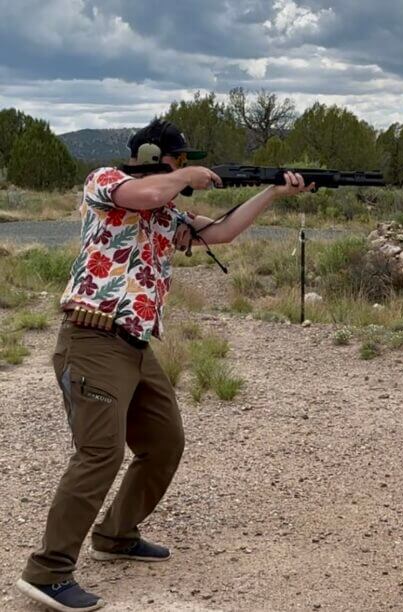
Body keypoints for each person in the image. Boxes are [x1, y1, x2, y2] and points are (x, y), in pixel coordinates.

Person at [15, 119, 314, 612]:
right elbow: (147, 192)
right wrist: (184, 177)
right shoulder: (107, 182)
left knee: (164, 443)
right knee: (100, 453)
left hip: (135, 345)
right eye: (177, 160)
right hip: (92, 337)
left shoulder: (166, 210)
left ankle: (116, 534)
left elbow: (222, 232)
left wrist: (273, 193)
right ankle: (47, 572)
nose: (182, 168)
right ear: (153, 157)